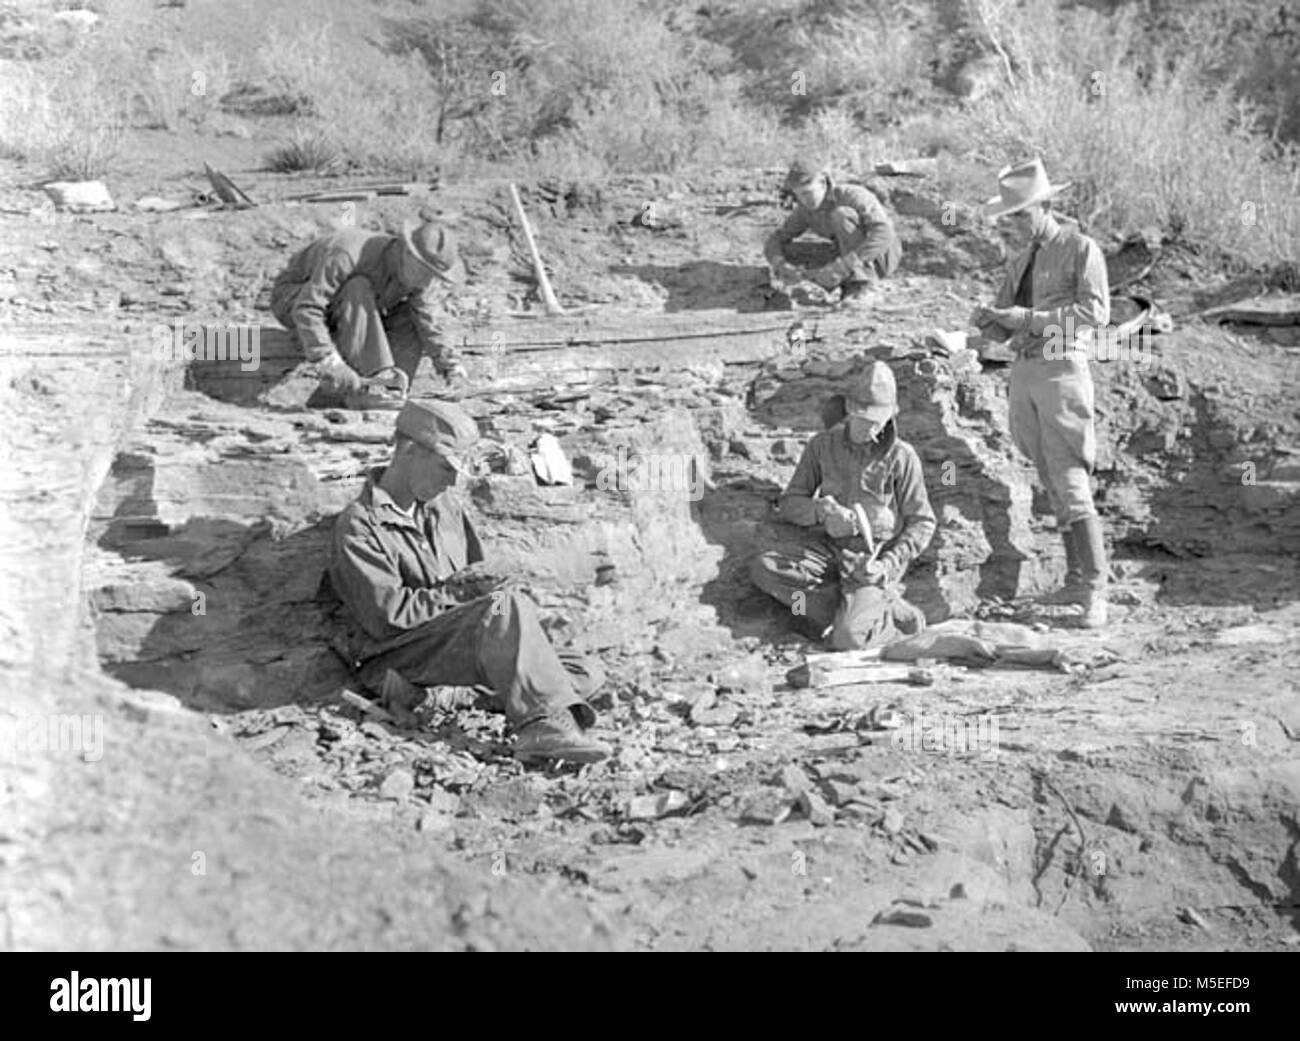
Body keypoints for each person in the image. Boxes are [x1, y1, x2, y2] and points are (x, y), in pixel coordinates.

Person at [328, 399, 610, 763]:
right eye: (446, 466)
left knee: (584, 670)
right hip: (398, 652)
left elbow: (481, 582)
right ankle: (542, 726)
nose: (454, 480)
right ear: (410, 450)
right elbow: (387, 616)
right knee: (513, 627)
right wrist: (461, 594)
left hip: (453, 643)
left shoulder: (446, 508)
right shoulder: (360, 525)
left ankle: (454, 696)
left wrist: (523, 620)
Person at [970, 158, 1110, 627]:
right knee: (1050, 477)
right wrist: (986, 322)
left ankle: (1094, 590)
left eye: (1021, 213)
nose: (1014, 223)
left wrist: (1026, 320)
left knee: (1069, 477)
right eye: (1009, 216)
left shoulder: (1079, 248)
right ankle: (1075, 580)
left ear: (1045, 206)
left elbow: (1094, 314)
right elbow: (1005, 325)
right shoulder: (1021, 259)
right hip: (1026, 370)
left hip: (1061, 368)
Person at [750, 361, 936, 650]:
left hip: (871, 562)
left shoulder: (902, 456)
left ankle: (884, 612)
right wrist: (820, 511)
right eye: (865, 420)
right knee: (765, 568)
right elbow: (789, 503)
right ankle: (852, 611)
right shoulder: (821, 446)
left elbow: (923, 522)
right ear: (849, 409)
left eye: (879, 421)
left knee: (848, 640)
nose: (872, 430)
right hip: (828, 552)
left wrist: (887, 565)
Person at [270, 220, 468, 410]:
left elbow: (428, 321)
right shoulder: (348, 252)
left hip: (350, 310)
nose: (427, 282)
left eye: (433, 276)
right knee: (358, 286)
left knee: (410, 313)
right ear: (407, 252)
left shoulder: (415, 275)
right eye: (426, 273)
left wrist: (453, 369)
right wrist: (329, 361)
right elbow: (307, 307)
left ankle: (388, 387)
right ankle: (372, 382)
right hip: (293, 300)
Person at [763, 158, 903, 303]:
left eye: (807, 193)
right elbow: (777, 238)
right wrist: (781, 265)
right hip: (847, 256)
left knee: (841, 215)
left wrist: (844, 265)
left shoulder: (852, 195)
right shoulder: (804, 210)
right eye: (798, 195)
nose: (803, 200)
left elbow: (884, 233)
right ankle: (826, 285)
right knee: (790, 250)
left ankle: (864, 286)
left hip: (881, 257)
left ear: (823, 183)